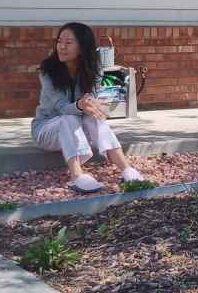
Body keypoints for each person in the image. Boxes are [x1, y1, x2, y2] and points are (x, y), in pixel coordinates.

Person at [32, 22, 143, 193]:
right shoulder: (47, 71)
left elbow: (95, 105)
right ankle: (76, 176)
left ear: (82, 47)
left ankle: (126, 169)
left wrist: (98, 108)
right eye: (60, 41)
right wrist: (80, 105)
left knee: (93, 116)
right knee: (68, 118)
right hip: (46, 130)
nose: (62, 47)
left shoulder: (93, 69)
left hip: (78, 128)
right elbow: (61, 107)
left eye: (69, 43)